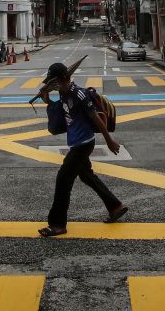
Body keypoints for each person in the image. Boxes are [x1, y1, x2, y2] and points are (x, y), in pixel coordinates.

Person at [37, 62, 128, 237]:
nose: (52, 85)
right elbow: (62, 115)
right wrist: (47, 100)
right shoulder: (63, 93)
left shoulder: (79, 94)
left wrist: (109, 140)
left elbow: (95, 117)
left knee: (63, 179)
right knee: (87, 176)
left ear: (64, 78)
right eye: (50, 83)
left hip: (84, 144)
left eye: (54, 81)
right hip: (76, 142)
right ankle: (115, 206)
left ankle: (57, 224)